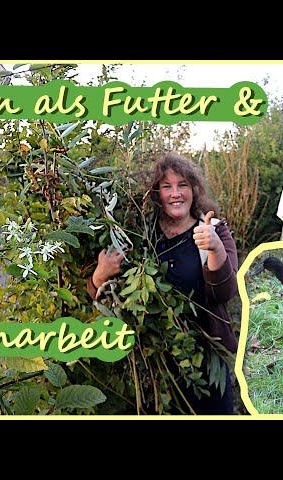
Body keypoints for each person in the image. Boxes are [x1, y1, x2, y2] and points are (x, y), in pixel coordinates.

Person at [86, 153, 239, 414]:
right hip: (153, 364)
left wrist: (214, 248)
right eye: (167, 186)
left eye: (182, 185)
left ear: (194, 190)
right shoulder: (141, 233)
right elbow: (99, 296)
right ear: (157, 193)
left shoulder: (213, 229)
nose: (175, 193)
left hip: (204, 359)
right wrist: (99, 276)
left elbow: (225, 293)